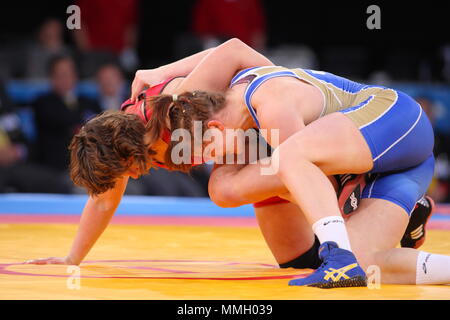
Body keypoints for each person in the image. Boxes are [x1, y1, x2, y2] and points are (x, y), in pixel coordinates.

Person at [27, 39, 446, 288]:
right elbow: (103, 201)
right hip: (316, 145)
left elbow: (233, 51)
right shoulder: (134, 141)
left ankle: (342, 219)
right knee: (346, 263)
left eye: (130, 170)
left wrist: (278, 91)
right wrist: (72, 259)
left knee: (287, 157)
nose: (136, 177)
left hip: (353, 123)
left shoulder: (177, 101)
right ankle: (374, 230)